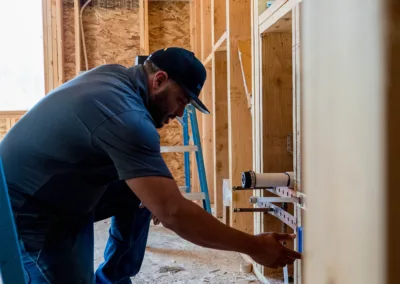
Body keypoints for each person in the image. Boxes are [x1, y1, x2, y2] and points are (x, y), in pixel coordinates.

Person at [0, 47, 301, 284]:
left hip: (53, 187)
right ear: (159, 81)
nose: (181, 113)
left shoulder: (118, 77)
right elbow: (174, 213)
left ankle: (113, 279)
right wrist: (253, 246)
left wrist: (158, 200)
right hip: (24, 209)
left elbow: (161, 197)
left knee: (145, 194)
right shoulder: (128, 118)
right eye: (182, 100)